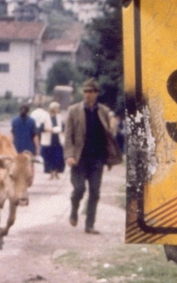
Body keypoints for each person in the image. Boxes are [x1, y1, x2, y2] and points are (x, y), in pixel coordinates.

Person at [63, 78, 122, 234]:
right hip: (79, 158)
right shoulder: (73, 110)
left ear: (96, 93)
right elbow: (68, 136)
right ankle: (74, 209)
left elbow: (108, 136)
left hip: (97, 158)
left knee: (95, 192)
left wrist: (109, 158)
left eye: (91, 92)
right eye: (85, 92)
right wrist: (69, 155)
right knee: (79, 189)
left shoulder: (102, 111)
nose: (88, 95)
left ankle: (90, 224)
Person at [41, 101, 66, 179]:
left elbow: (63, 127)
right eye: (56, 108)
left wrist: (62, 131)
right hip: (48, 140)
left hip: (57, 140)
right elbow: (40, 128)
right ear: (52, 108)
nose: (58, 109)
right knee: (49, 157)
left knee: (58, 157)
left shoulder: (59, 116)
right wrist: (48, 129)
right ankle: (51, 173)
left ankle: (57, 172)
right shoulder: (45, 116)